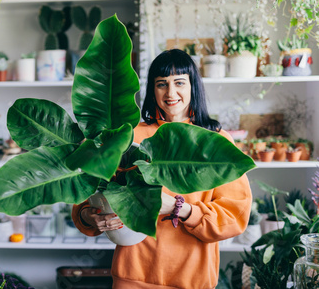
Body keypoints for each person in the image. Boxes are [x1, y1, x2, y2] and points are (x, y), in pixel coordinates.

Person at [72, 49, 252, 289]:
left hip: (192, 280)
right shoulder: (130, 135)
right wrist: (90, 216)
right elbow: (87, 193)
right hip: (132, 277)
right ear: (152, 90)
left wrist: (181, 208)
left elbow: (234, 216)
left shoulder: (215, 142)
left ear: (193, 87)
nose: (171, 93)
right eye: (161, 84)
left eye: (179, 83)